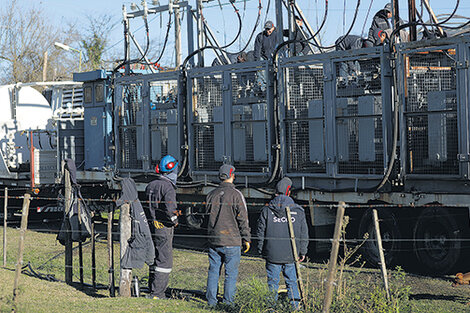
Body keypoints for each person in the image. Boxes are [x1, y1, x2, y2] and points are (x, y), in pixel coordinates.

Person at [256, 177, 309, 309]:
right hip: (291, 254)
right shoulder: (298, 211)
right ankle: (295, 307)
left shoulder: (267, 211)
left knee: (272, 283)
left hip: (272, 254)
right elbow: (304, 234)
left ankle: (270, 308)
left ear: (276, 192)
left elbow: (260, 233)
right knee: (292, 282)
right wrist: (302, 251)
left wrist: (262, 251)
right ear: (289, 192)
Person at [205, 164, 251, 306]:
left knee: (213, 271)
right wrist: (246, 238)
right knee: (230, 274)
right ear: (232, 176)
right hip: (232, 240)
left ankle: (211, 301)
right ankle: (228, 302)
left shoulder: (210, 194)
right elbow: (243, 219)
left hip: (214, 240)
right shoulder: (237, 195)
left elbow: (206, 218)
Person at [145, 155, 179, 300]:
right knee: (164, 260)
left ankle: (152, 288)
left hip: (152, 225)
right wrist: (175, 220)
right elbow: (170, 209)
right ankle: (157, 293)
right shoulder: (168, 187)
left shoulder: (151, 185)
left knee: (154, 258)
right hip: (163, 227)